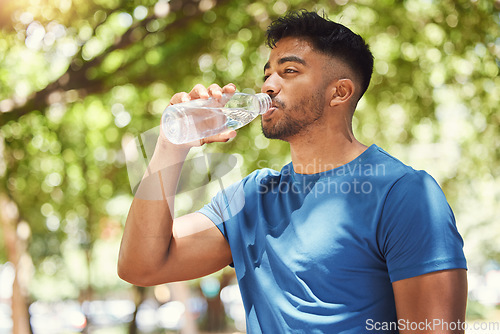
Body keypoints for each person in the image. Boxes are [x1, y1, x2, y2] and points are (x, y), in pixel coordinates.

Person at [118, 10, 467, 333]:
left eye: (289, 71)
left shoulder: (404, 193)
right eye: (267, 73)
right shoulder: (252, 198)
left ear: (339, 92)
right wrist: (171, 145)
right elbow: (141, 265)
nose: (268, 85)